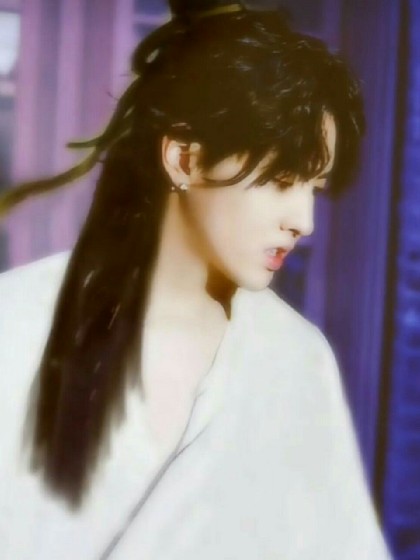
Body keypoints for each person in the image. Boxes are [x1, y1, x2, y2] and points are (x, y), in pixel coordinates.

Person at [0, 1, 392, 558]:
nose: (304, 221)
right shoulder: (16, 323)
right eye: (282, 180)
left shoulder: (297, 360)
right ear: (183, 159)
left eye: (315, 187)